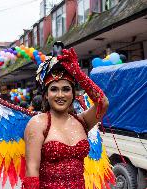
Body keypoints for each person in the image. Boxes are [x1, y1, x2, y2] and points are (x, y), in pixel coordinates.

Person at [22, 47, 110, 188]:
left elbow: (103, 103)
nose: (60, 95)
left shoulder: (82, 121)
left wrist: (78, 73)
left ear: (73, 94)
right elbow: (32, 171)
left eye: (66, 89)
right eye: (54, 89)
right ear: (46, 94)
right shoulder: (38, 123)